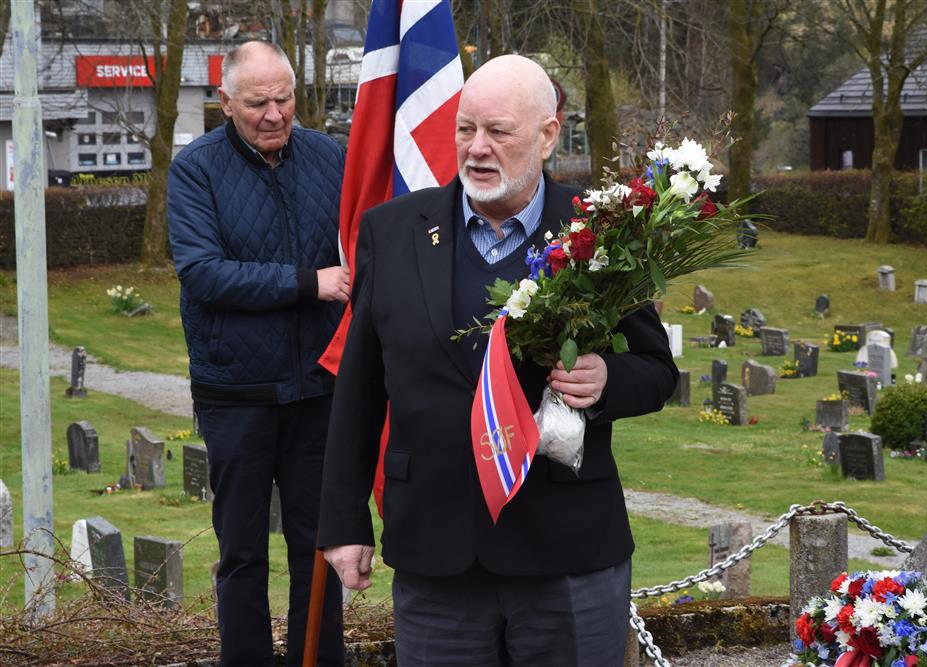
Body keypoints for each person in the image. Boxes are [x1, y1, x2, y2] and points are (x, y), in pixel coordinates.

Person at [318, 54, 678, 666]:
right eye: (465, 129)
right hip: (436, 556)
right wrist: (343, 521)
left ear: (548, 135)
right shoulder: (392, 231)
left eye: (499, 132)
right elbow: (358, 390)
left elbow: (657, 370)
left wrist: (607, 378)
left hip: (564, 552)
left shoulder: (600, 231)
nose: (477, 149)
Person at [167, 41, 348, 667]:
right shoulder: (197, 170)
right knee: (242, 552)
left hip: (318, 388)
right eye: (257, 103)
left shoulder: (331, 157)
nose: (274, 114)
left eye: (284, 99)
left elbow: (366, 241)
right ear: (225, 103)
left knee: (318, 547)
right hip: (236, 393)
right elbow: (204, 273)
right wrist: (308, 282)